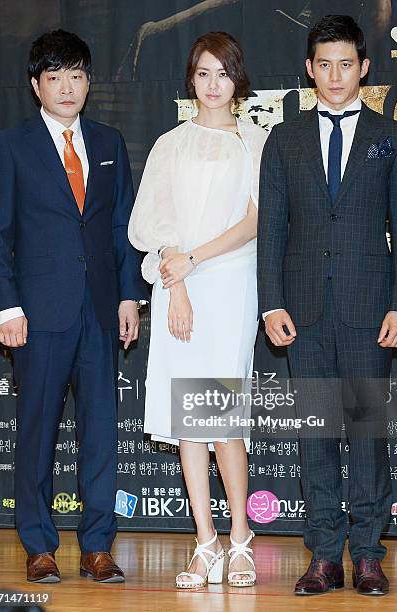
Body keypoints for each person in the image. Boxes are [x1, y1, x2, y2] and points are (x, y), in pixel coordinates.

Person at [257, 14, 397, 597]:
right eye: (323, 64)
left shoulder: (392, 137)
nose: (334, 74)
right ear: (308, 69)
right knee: (316, 435)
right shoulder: (285, 137)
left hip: (369, 310)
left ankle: (368, 555)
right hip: (302, 313)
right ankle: (324, 554)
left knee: (369, 435)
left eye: (345, 64)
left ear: (364, 68)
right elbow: (272, 228)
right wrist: (270, 302)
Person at [0, 30, 147, 583]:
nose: (67, 86)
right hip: (38, 315)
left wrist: (129, 294)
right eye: (55, 76)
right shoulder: (12, 144)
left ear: (89, 81)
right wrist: (7, 308)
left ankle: (99, 546)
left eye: (76, 74)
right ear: (35, 85)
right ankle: (39, 546)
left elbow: (123, 225)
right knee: (37, 433)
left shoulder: (108, 142)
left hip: (100, 312)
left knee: (101, 432)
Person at [129, 31, 267, 589]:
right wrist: (178, 279)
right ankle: (205, 543)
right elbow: (152, 224)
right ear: (191, 78)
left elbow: (255, 221)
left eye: (223, 74)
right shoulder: (170, 144)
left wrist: (195, 261)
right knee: (190, 423)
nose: (213, 85)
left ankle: (241, 540)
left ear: (238, 80)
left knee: (223, 418)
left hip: (230, 284)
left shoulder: (257, 141)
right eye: (203, 73)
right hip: (175, 287)